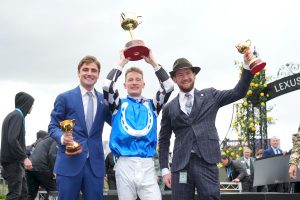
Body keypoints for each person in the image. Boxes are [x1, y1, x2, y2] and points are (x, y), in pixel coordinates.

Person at [159, 55, 254, 200]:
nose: (185, 78)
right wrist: (165, 169)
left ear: (194, 75)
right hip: (180, 166)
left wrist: (247, 67)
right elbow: (164, 140)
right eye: (180, 75)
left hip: (206, 162)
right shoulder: (169, 108)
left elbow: (238, 93)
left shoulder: (210, 95)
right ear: (174, 79)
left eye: (188, 73)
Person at [103, 49, 174, 200]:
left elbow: (168, 87)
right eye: (130, 80)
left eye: (137, 79)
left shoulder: (152, 105)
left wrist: (153, 62)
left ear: (143, 83)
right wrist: (122, 62)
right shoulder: (117, 104)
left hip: (147, 165)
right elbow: (107, 86)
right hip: (124, 164)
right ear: (124, 84)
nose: (134, 82)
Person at [48, 55, 111, 200]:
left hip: (95, 165)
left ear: (98, 75)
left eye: (94, 70)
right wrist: (63, 138)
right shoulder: (64, 98)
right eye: (85, 69)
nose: (89, 73)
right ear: (78, 72)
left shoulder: (105, 101)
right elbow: (52, 126)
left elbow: (117, 122)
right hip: (69, 162)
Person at [0, 91, 34, 199]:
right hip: (12, 162)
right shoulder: (17, 116)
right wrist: (24, 158)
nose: (32, 107)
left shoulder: (13, 116)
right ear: (25, 104)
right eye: (31, 104)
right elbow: (12, 139)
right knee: (15, 194)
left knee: (23, 194)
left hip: (14, 162)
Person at [26, 135, 57, 200]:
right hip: (41, 166)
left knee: (31, 194)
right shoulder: (54, 138)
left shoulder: (42, 140)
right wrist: (54, 171)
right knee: (53, 191)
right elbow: (52, 154)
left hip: (31, 167)